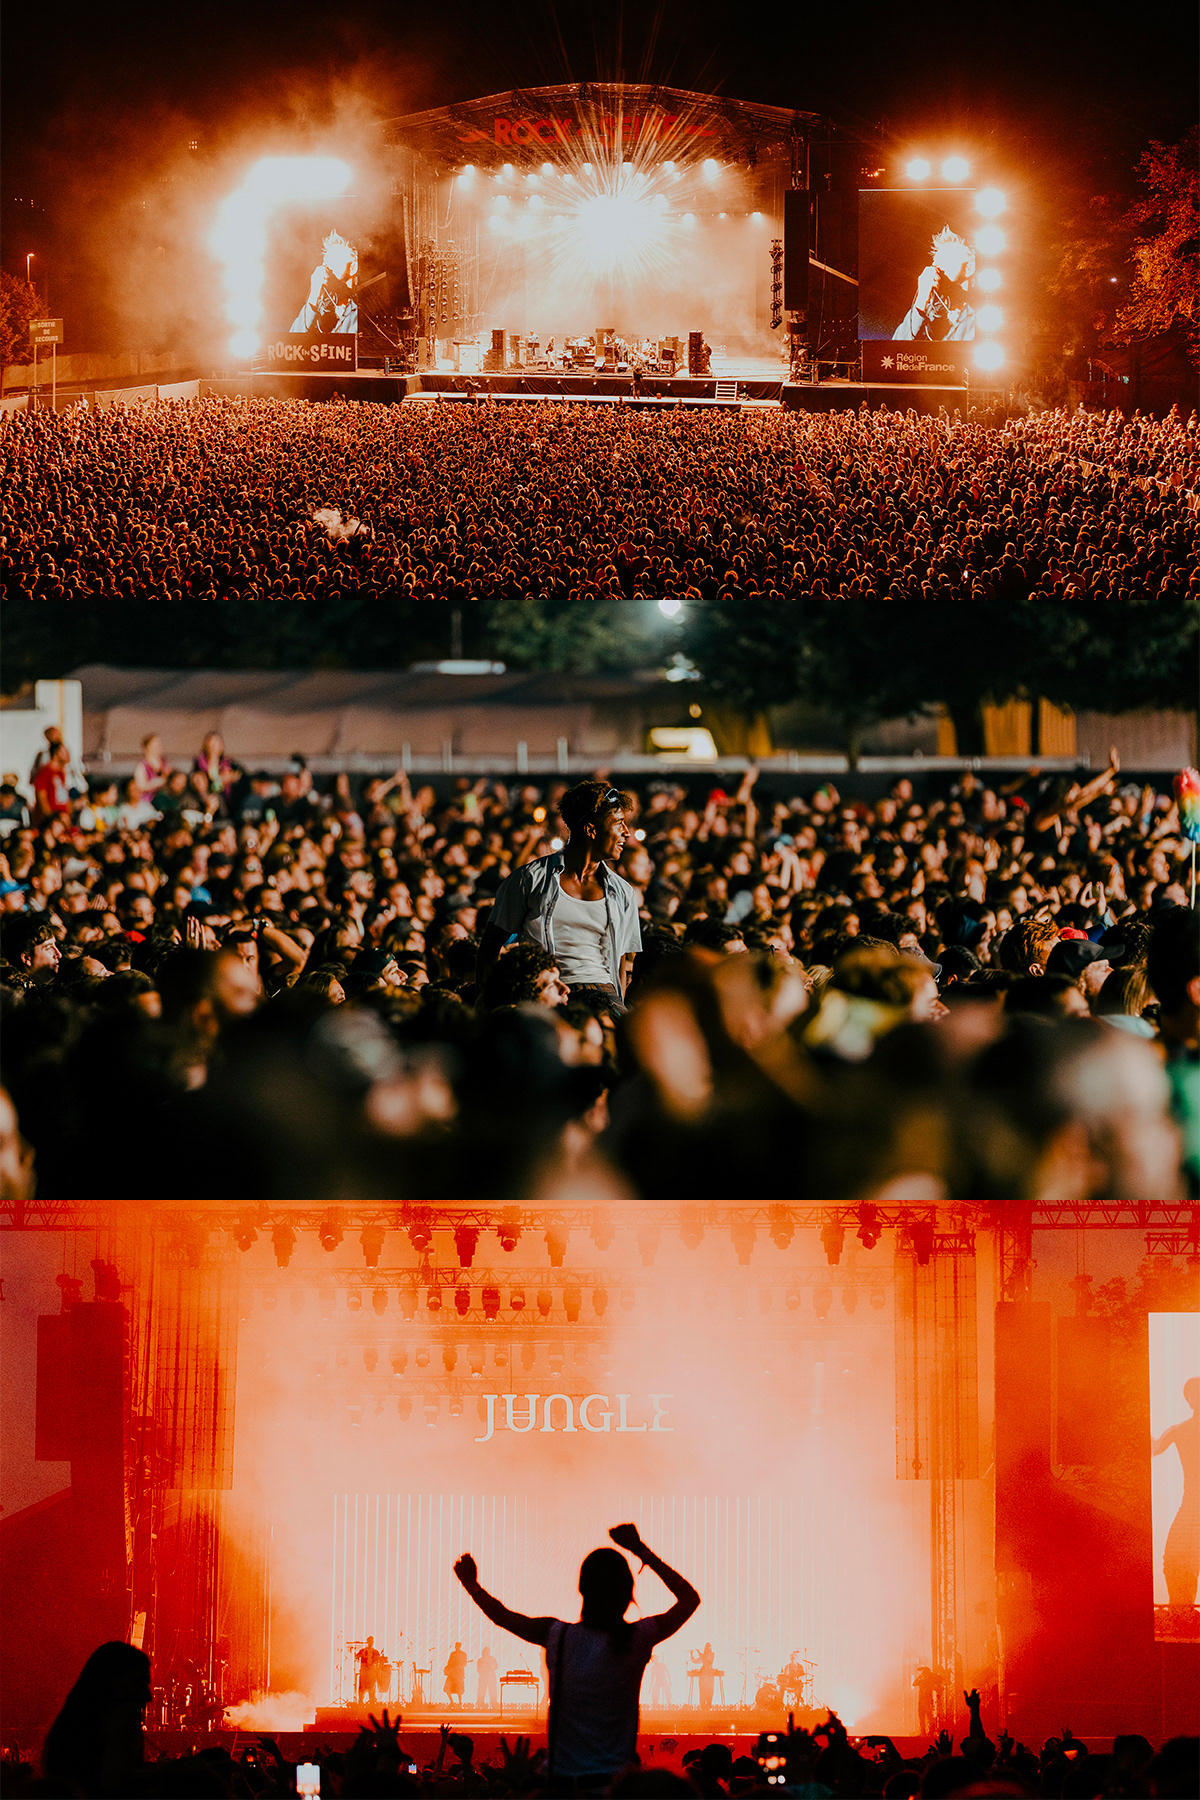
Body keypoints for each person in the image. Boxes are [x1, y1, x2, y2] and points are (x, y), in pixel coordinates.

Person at [452, 1521, 699, 1788]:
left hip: (561, 1786)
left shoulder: (557, 1635)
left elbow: (501, 1616)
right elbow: (689, 1599)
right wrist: (641, 1551)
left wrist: (472, 1585)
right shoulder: (637, 1637)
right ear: (628, 1593)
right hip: (616, 1786)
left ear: (582, 1590)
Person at [476, 781, 641, 1015]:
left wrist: (618, 1005)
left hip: (604, 997)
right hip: (548, 996)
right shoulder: (529, 880)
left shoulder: (623, 892)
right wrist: (489, 1006)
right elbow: (489, 948)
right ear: (591, 829)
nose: (627, 832)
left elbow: (621, 962)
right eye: (618, 824)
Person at [41, 1641, 153, 1797]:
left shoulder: (68, 1728)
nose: (148, 1696)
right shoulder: (122, 1718)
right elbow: (115, 1783)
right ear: (113, 1683)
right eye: (140, 1684)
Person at [1153, 1378, 1199, 1610]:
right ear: (1190, 1400)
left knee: (1180, 1558)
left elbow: (1153, 1448)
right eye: (1195, 1394)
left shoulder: (1182, 1430)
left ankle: (1182, 1611)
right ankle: (1182, 1611)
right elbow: (1153, 1448)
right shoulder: (1181, 1430)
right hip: (1192, 1503)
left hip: (1193, 1504)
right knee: (1178, 1558)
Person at [894, 226, 976, 342]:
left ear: (969, 268)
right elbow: (894, 352)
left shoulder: (981, 313)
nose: (937, 267)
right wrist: (921, 299)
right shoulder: (930, 314)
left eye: (946, 259)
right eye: (936, 263)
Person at [475, 1644, 499, 1710]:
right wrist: (482, 1673)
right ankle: (480, 1703)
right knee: (481, 1690)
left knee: (492, 1690)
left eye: (487, 1651)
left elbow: (496, 1666)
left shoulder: (492, 1658)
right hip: (483, 1677)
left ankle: (494, 1703)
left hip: (491, 1676)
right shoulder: (480, 1660)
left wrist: (491, 1670)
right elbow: (478, 1668)